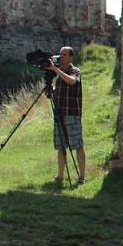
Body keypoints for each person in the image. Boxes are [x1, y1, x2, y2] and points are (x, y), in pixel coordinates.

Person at [45, 46, 86, 184]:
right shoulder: (60, 74)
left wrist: (56, 70)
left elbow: (72, 82)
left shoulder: (75, 71)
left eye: (64, 54)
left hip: (72, 114)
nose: (61, 57)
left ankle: (81, 176)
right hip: (59, 113)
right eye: (60, 54)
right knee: (61, 146)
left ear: (70, 57)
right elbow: (59, 90)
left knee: (78, 145)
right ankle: (60, 176)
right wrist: (51, 90)